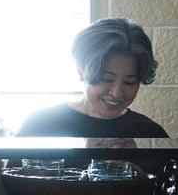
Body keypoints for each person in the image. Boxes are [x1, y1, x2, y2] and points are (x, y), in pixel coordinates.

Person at [16, 17, 168, 139]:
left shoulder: (150, 134)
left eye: (129, 82)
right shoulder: (40, 126)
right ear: (81, 71)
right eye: (106, 79)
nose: (116, 93)